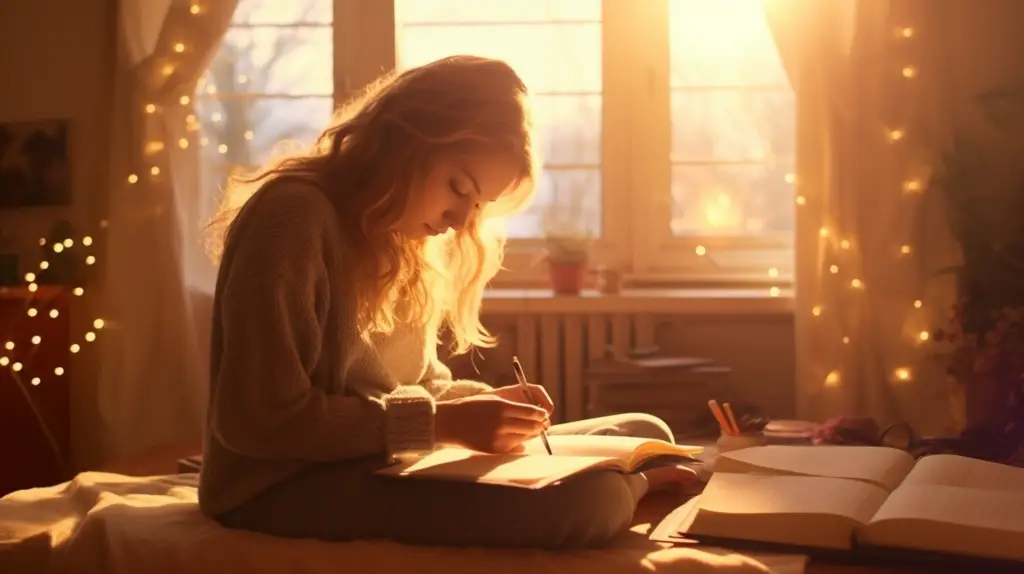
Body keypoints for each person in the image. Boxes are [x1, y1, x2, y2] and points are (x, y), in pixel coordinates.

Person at [198, 55, 695, 549]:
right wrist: (445, 425)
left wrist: (480, 404)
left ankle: (634, 481)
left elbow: (418, 385)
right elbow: (259, 421)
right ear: (403, 141)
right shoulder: (292, 218)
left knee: (644, 432)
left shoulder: (403, 240)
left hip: (383, 459)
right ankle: (634, 490)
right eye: (459, 188)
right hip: (280, 486)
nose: (459, 220)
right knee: (593, 497)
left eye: (476, 205)